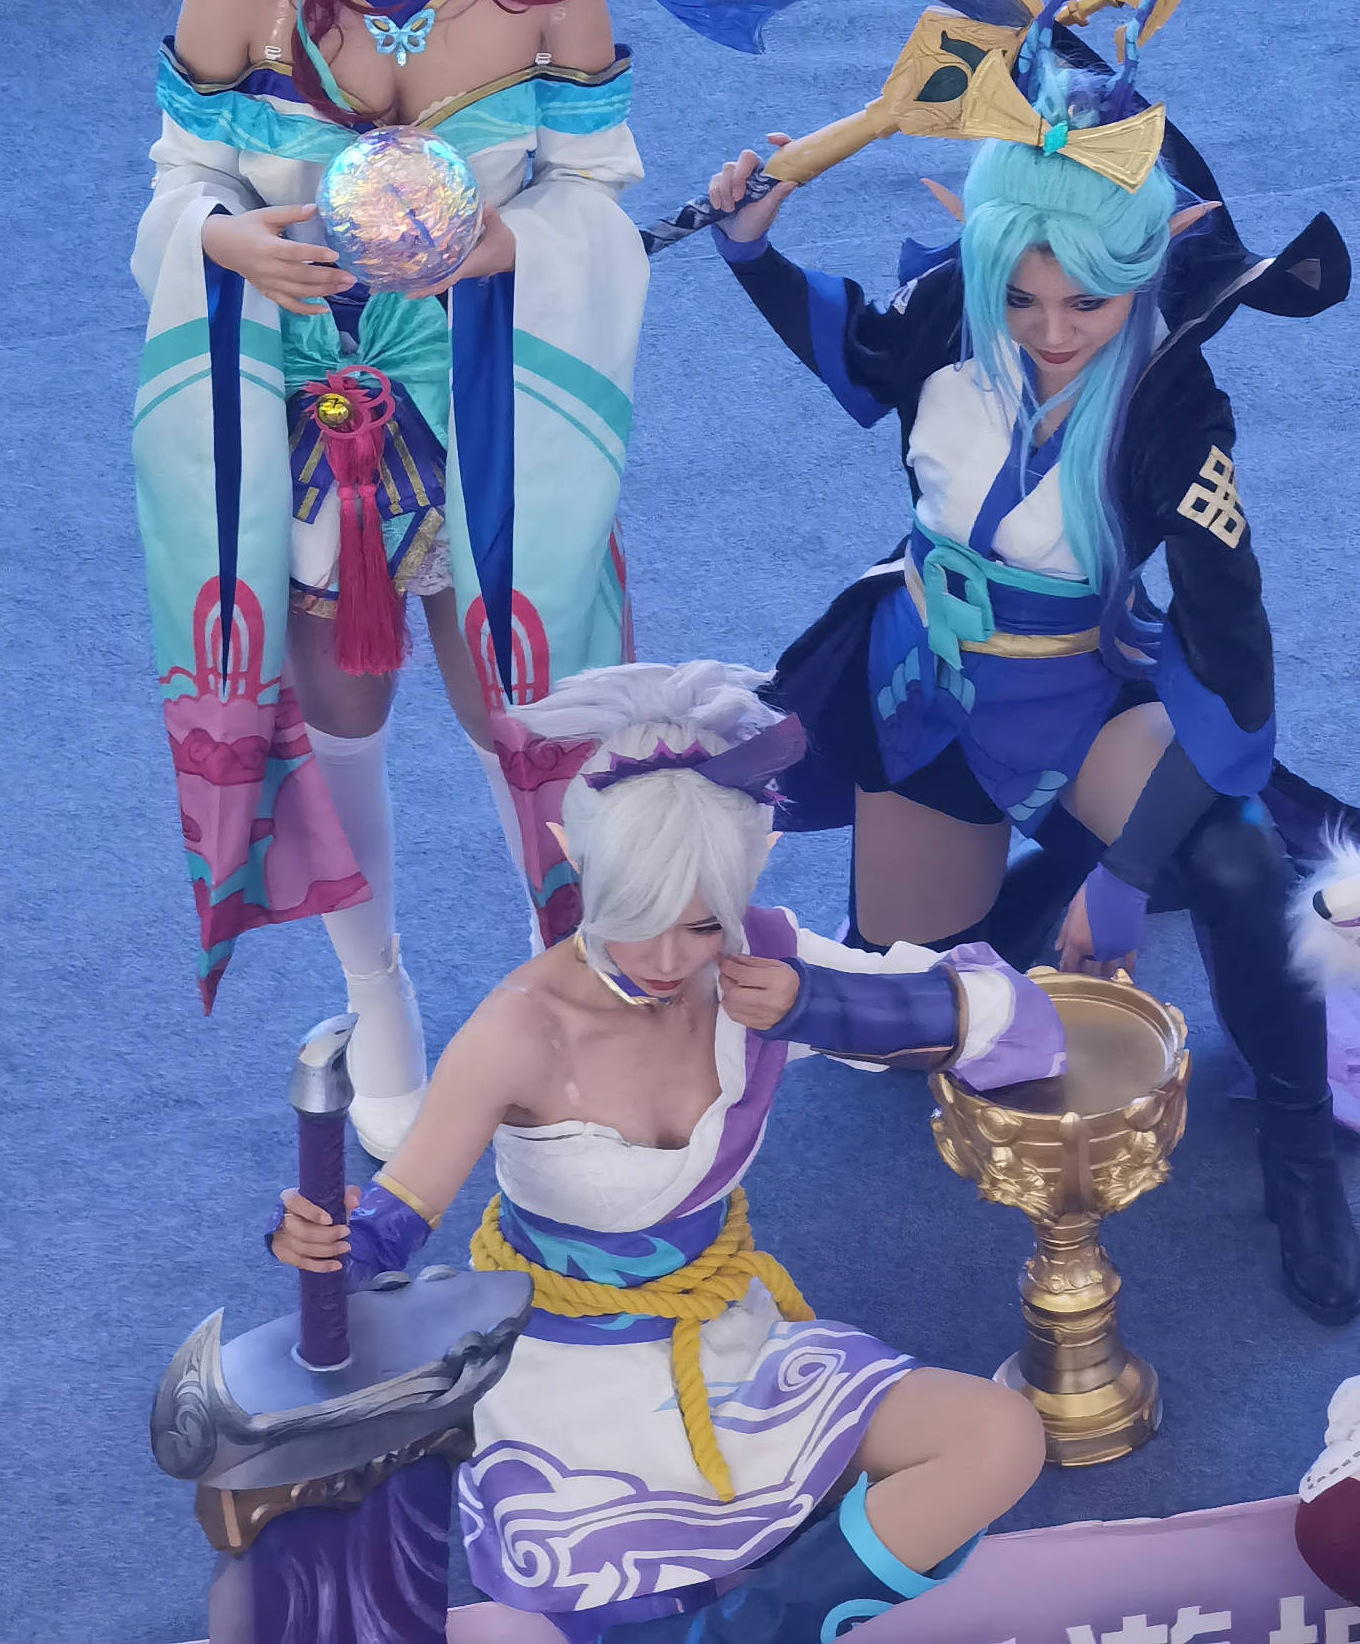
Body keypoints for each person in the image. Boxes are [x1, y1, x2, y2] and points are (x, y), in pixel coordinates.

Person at [700, 0, 1360, 1322]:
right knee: (909, 1024)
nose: (1053, 333)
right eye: (1026, 296)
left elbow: (1235, 674)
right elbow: (856, 348)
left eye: (1090, 302)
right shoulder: (956, 308)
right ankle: (1045, 868)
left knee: (1232, 861)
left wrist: (1128, 867)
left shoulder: (1177, 404)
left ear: (1147, 273)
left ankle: (1299, 1157)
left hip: (1081, 699)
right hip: (924, 689)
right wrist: (753, 250)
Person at [130, 0, 648, 1157]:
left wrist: (512, 245)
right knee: (340, 703)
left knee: (517, 700)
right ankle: (379, 989)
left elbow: (600, 191)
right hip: (309, 420)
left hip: (489, 405)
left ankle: (563, 974)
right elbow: (181, 180)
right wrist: (221, 241)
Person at [271, 661, 1055, 1640]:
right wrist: (326, 1244)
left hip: (733, 1346)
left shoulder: (760, 960)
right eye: (636, 919)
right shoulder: (520, 1027)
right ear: (575, 862)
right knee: (641, 1601)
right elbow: (391, 1223)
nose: (670, 960)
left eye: (700, 922)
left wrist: (823, 1003)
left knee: (999, 1436)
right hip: (569, 1398)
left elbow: (1024, 1026)